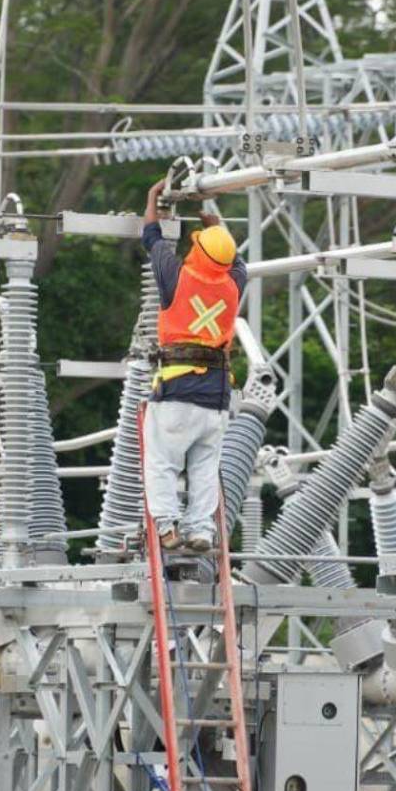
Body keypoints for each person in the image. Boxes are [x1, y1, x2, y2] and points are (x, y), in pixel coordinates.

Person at [140, 179, 247, 552]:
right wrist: (214, 222)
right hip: (217, 394)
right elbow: (237, 260)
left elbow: (152, 236)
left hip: (177, 387)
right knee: (204, 467)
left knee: (162, 462)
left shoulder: (177, 276)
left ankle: (167, 527)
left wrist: (153, 199)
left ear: (197, 250)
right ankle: (201, 530)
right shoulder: (234, 284)